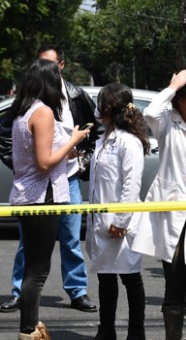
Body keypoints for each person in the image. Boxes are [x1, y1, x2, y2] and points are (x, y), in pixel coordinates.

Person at [2, 45, 98, 314]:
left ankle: (76, 291)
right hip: (41, 188)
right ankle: (26, 315)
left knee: (68, 240)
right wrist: (72, 143)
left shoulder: (74, 97)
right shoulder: (37, 109)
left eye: (53, 66)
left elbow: (94, 129)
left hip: (64, 180)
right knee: (34, 261)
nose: (51, 73)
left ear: (62, 67)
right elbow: (41, 160)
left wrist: (81, 156)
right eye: (44, 67)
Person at [131, 69, 186, 340]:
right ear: (179, 99)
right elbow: (151, 112)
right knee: (175, 284)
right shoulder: (167, 123)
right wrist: (172, 85)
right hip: (174, 213)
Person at [87, 83, 149, 340]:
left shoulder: (128, 142)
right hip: (102, 222)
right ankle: (106, 329)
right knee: (106, 277)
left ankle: (136, 332)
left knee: (130, 277)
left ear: (108, 108)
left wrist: (121, 220)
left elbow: (132, 185)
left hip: (120, 225)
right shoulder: (104, 139)